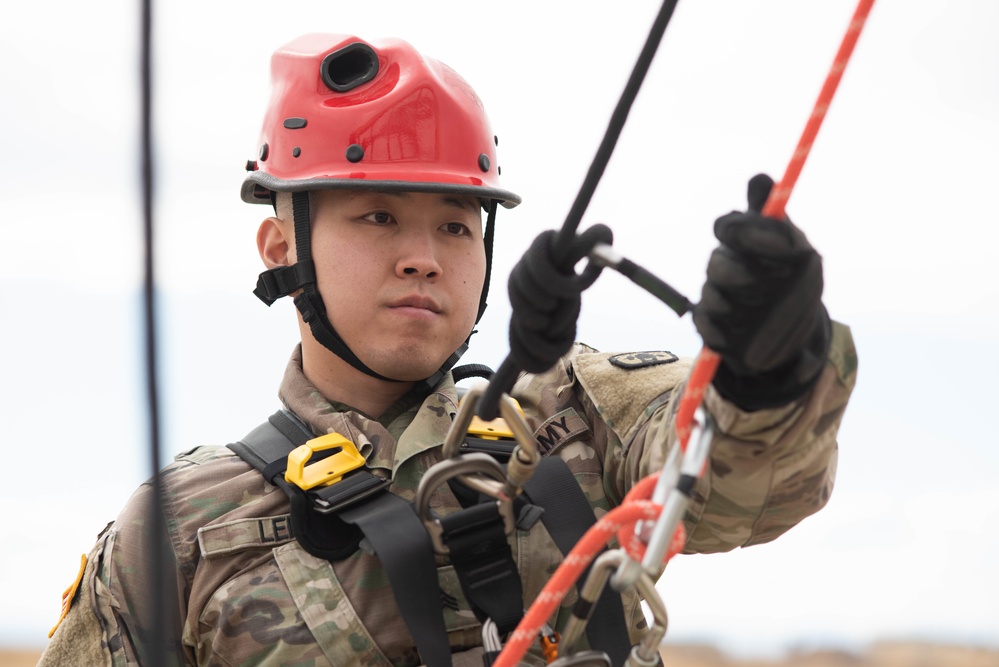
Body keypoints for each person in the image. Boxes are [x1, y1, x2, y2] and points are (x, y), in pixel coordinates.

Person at [38, 33, 857, 667]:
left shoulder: (577, 416)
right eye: (377, 216)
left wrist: (771, 363)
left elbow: (756, 481)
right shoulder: (180, 531)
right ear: (279, 247)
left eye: (456, 225)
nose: (423, 255)